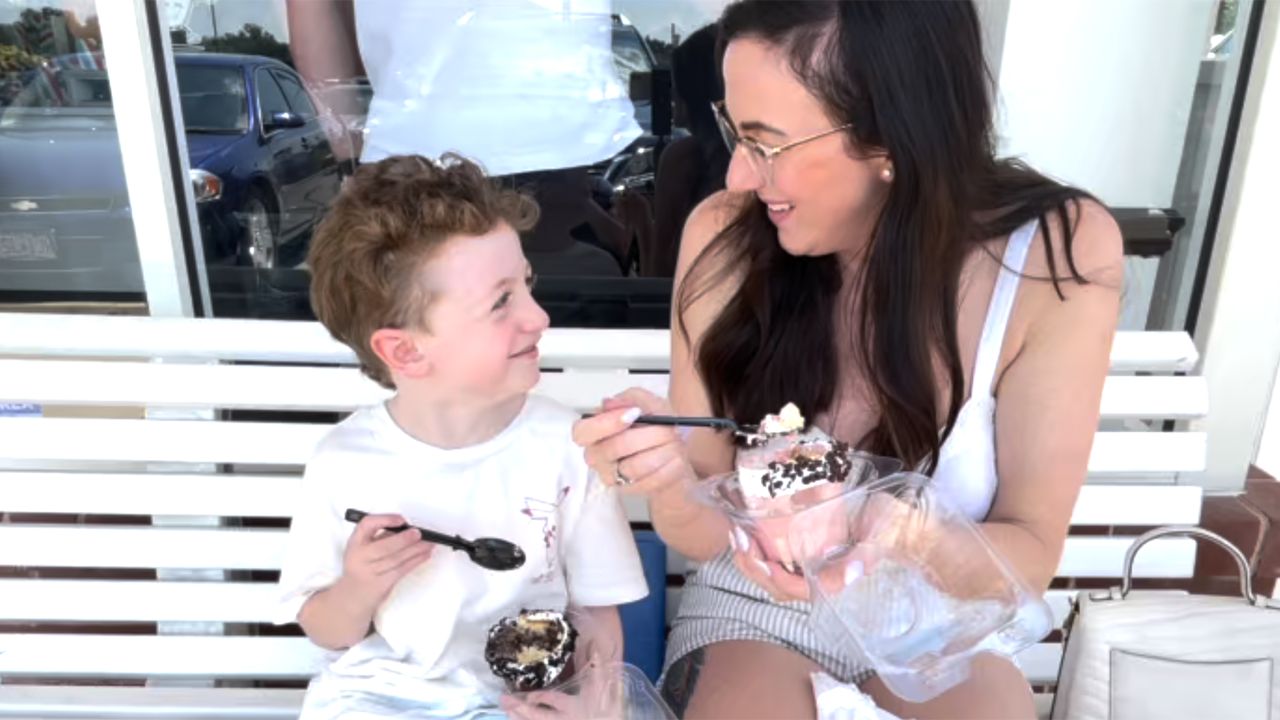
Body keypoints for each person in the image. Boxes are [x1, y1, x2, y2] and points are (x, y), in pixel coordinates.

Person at [572, 1, 1123, 718]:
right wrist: (670, 477)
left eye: (768, 144)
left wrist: (891, 529)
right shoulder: (724, 238)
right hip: (753, 609)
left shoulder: (1054, 253)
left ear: (890, 134)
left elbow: (1029, 553)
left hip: (940, 617)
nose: (738, 175)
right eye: (734, 132)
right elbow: (706, 530)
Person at [274, 154, 648, 719]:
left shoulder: (564, 447)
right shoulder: (346, 463)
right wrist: (358, 586)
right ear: (404, 351)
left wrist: (599, 707)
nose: (539, 316)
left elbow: (597, 612)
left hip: (520, 700)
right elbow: (325, 628)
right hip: (380, 696)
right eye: (501, 302)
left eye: (527, 284)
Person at [643, 23, 731, 278]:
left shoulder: (683, 159)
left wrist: (641, 224)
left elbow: (660, 278)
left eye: (675, 92)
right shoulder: (770, 157)